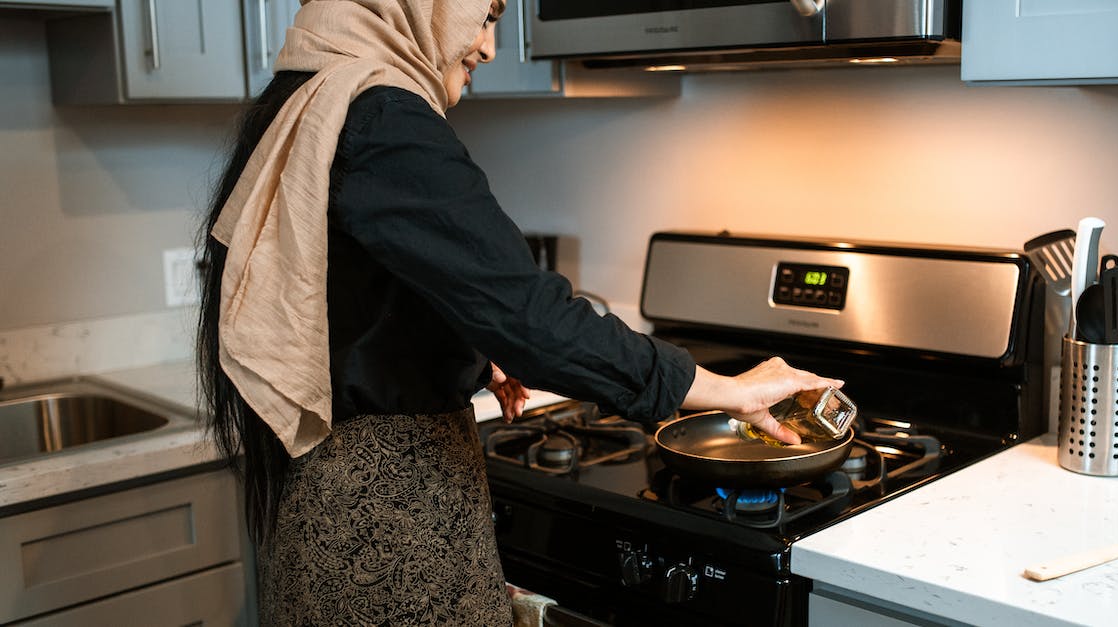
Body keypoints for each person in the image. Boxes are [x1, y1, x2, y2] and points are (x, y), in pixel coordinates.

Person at [197, 0, 845, 624]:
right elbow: (533, 316)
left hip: (327, 511)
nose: (490, 45)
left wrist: (475, 346)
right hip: (392, 520)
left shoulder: (310, 83)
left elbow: (357, 301)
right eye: (488, 13)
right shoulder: (381, 113)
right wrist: (727, 389)